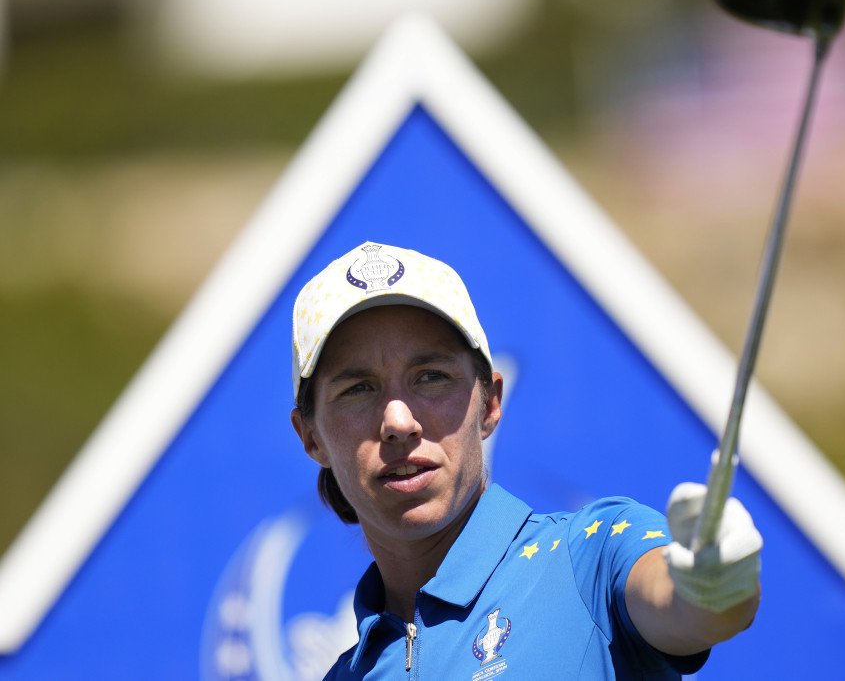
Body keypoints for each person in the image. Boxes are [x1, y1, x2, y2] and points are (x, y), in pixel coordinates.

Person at [290, 241, 762, 679]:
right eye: (358, 389)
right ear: (311, 437)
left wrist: (711, 589)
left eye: (430, 377)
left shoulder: (592, 556)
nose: (398, 420)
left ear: (490, 403)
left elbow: (680, 606)